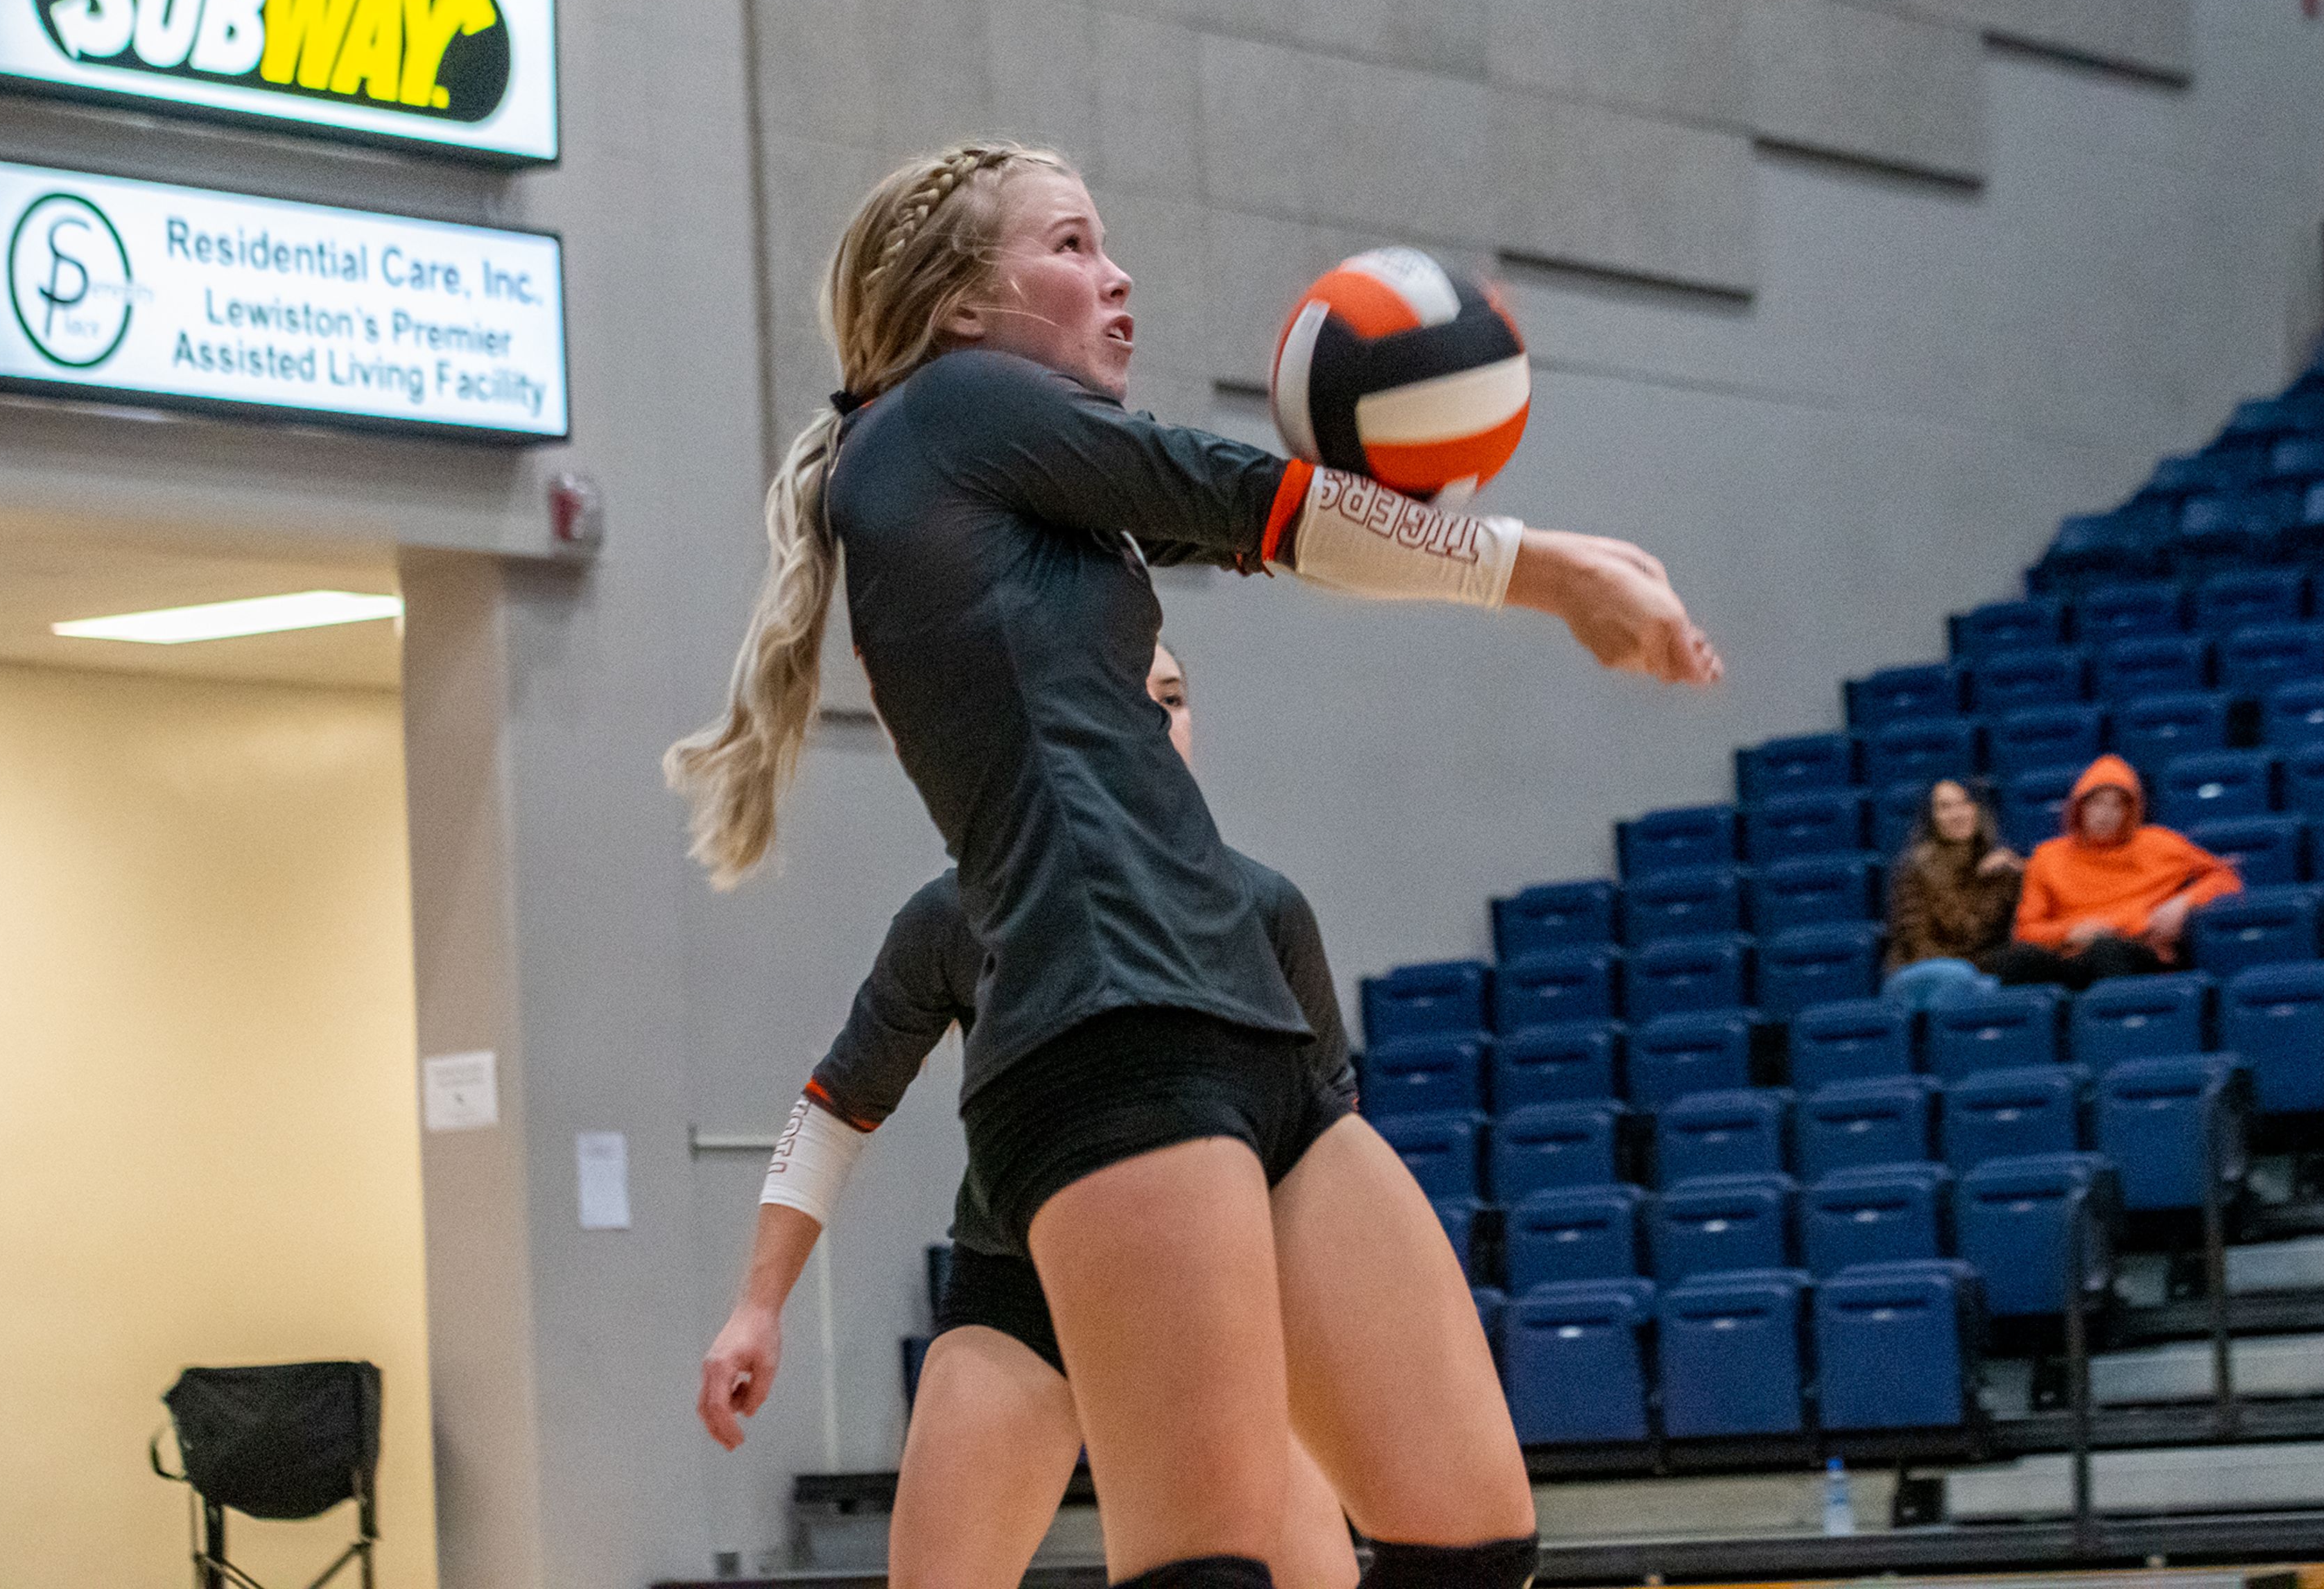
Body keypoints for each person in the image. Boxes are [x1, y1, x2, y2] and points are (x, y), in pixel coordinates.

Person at [666, 138, 1720, 1589]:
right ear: (965, 306)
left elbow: (1274, 523)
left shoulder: (1010, 484)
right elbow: (1244, 492)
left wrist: (1553, 562)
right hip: (1104, 1023)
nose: (1119, 275)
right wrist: (1546, 569)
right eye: (1073, 244)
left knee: (1470, 1533)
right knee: (1209, 1562)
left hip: (1238, 1015)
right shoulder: (934, 418)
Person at [699, 643, 1358, 1589]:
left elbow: (1330, 1146)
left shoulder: (1267, 910)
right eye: (1130, 700)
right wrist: (754, 1309)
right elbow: (834, 1111)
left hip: (1220, 1303)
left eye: (1173, 698)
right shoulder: (956, 915)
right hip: (1021, 1295)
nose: (1160, 720)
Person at [1988, 755, 2240, 991]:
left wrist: (2184, 902)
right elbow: (2026, 931)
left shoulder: (2160, 843)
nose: (2105, 815)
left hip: (2135, 951)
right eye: (2097, 803)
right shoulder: (2047, 856)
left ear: (2131, 811)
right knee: (2022, 959)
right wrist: (2070, 931)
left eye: (2117, 806)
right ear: (2080, 807)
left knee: (2106, 951)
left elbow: (2225, 877)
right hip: (2069, 954)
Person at [1884, 779, 2026, 973]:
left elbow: (2010, 933)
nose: (1957, 814)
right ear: (1931, 817)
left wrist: (2020, 872)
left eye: (1965, 803)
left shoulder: (2002, 866)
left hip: (1985, 970)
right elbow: (1917, 944)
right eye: (1945, 807)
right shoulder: (1912, 869)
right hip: (1926, 972)